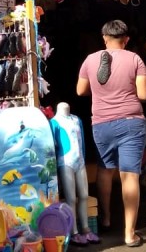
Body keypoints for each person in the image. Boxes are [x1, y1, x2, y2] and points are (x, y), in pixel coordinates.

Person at [76, 20, 146, 248]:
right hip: (131, 122)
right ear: (125, 39)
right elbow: (144, 94)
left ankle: (106, 218)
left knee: (105, 170)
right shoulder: (135, 59)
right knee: (130, 175)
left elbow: (80, 91)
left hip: (101, 123)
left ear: (104, 38)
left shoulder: (90, 60)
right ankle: (129, 233)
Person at [50, 102, 100, 245]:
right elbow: (53, 145)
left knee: (84, 195)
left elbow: (82, 140)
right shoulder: (54, 122)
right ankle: (74, 232)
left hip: (79, 160)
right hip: (65, 161)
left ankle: (86, 228)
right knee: (71, 198)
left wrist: (83, 156)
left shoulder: (77, 119)